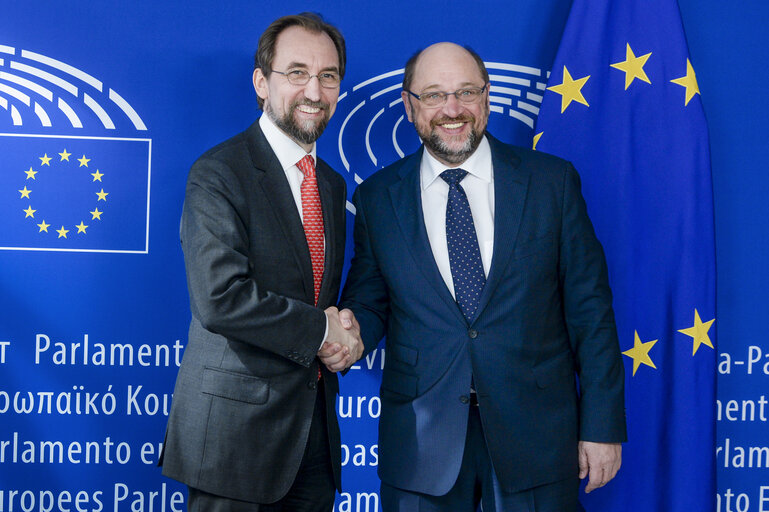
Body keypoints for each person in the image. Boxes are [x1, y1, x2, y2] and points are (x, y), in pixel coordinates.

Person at [339, 42, 627, 511]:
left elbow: (590, 312)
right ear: (410, 107)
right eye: (433, 96)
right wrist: (350, 336)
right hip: (420, 446)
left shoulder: (551, 183)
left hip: (537, 440)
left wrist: (601, 426)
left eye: (466, 92)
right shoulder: (377, 198)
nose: (452, 109)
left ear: (488, 97)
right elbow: (372, 301)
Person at [160, 13, 362, 512]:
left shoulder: (331, 185)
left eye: (328, 75)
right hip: (235, 443)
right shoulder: (219, 172)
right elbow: (220, 299)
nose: (314, 90)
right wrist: (321, 330)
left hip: (313, 438)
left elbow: (319, 296)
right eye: (297, 72)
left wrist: (344, 328)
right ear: (261, 82)